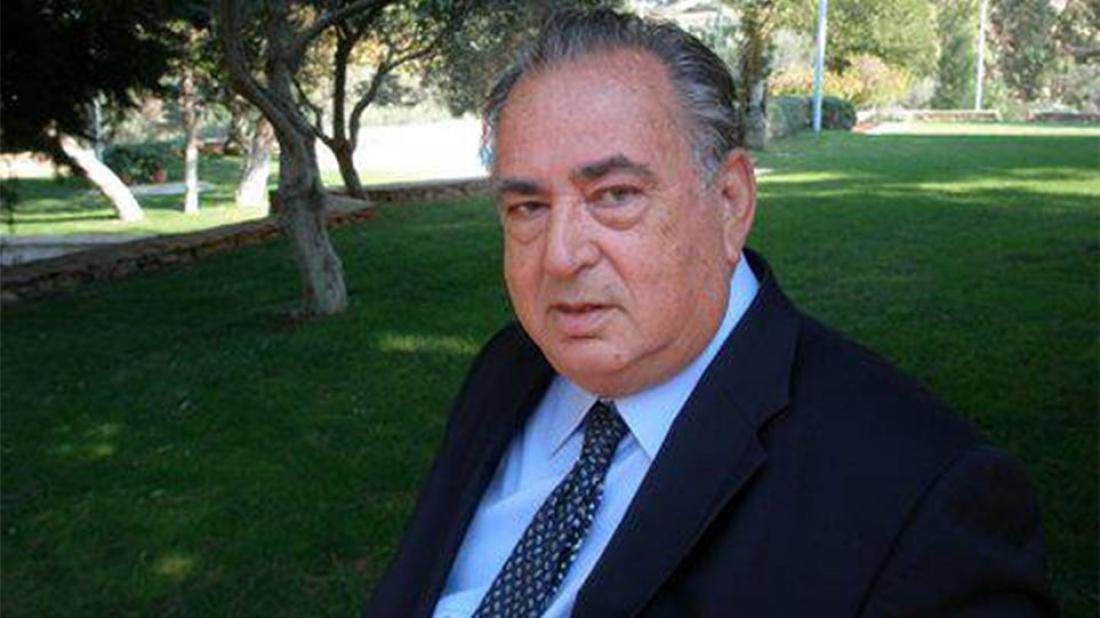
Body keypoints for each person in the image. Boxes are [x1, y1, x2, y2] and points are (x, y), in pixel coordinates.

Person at [365, 9, 1055, 617]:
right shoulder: (507, 370)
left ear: (730, 202)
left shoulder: (921, 496)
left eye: (615, 195)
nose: (561, 256)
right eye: (528, 207)